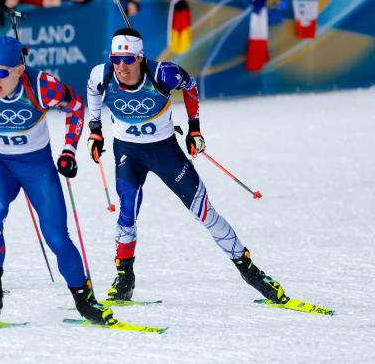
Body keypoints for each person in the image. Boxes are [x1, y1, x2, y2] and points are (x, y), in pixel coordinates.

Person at [86, 28, 289, 305]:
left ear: (140, 58)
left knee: (204, 211)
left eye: (128, 59)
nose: (121, 66)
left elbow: (190, 85)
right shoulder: (102, 74)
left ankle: (251, 271)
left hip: (164, 151)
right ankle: (124, 277)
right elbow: (93, 92)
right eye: (116, 59)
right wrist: (95, 130)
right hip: (128, 152)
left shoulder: (163, 74)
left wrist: (195, 129)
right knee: (127, 211)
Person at [0, 36, 115, 325]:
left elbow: (74, 107)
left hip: (37, 167)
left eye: (1, 73)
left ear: (19, 71)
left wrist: (69, 151)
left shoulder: (41, 85)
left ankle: (85, 302)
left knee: (57, 236)